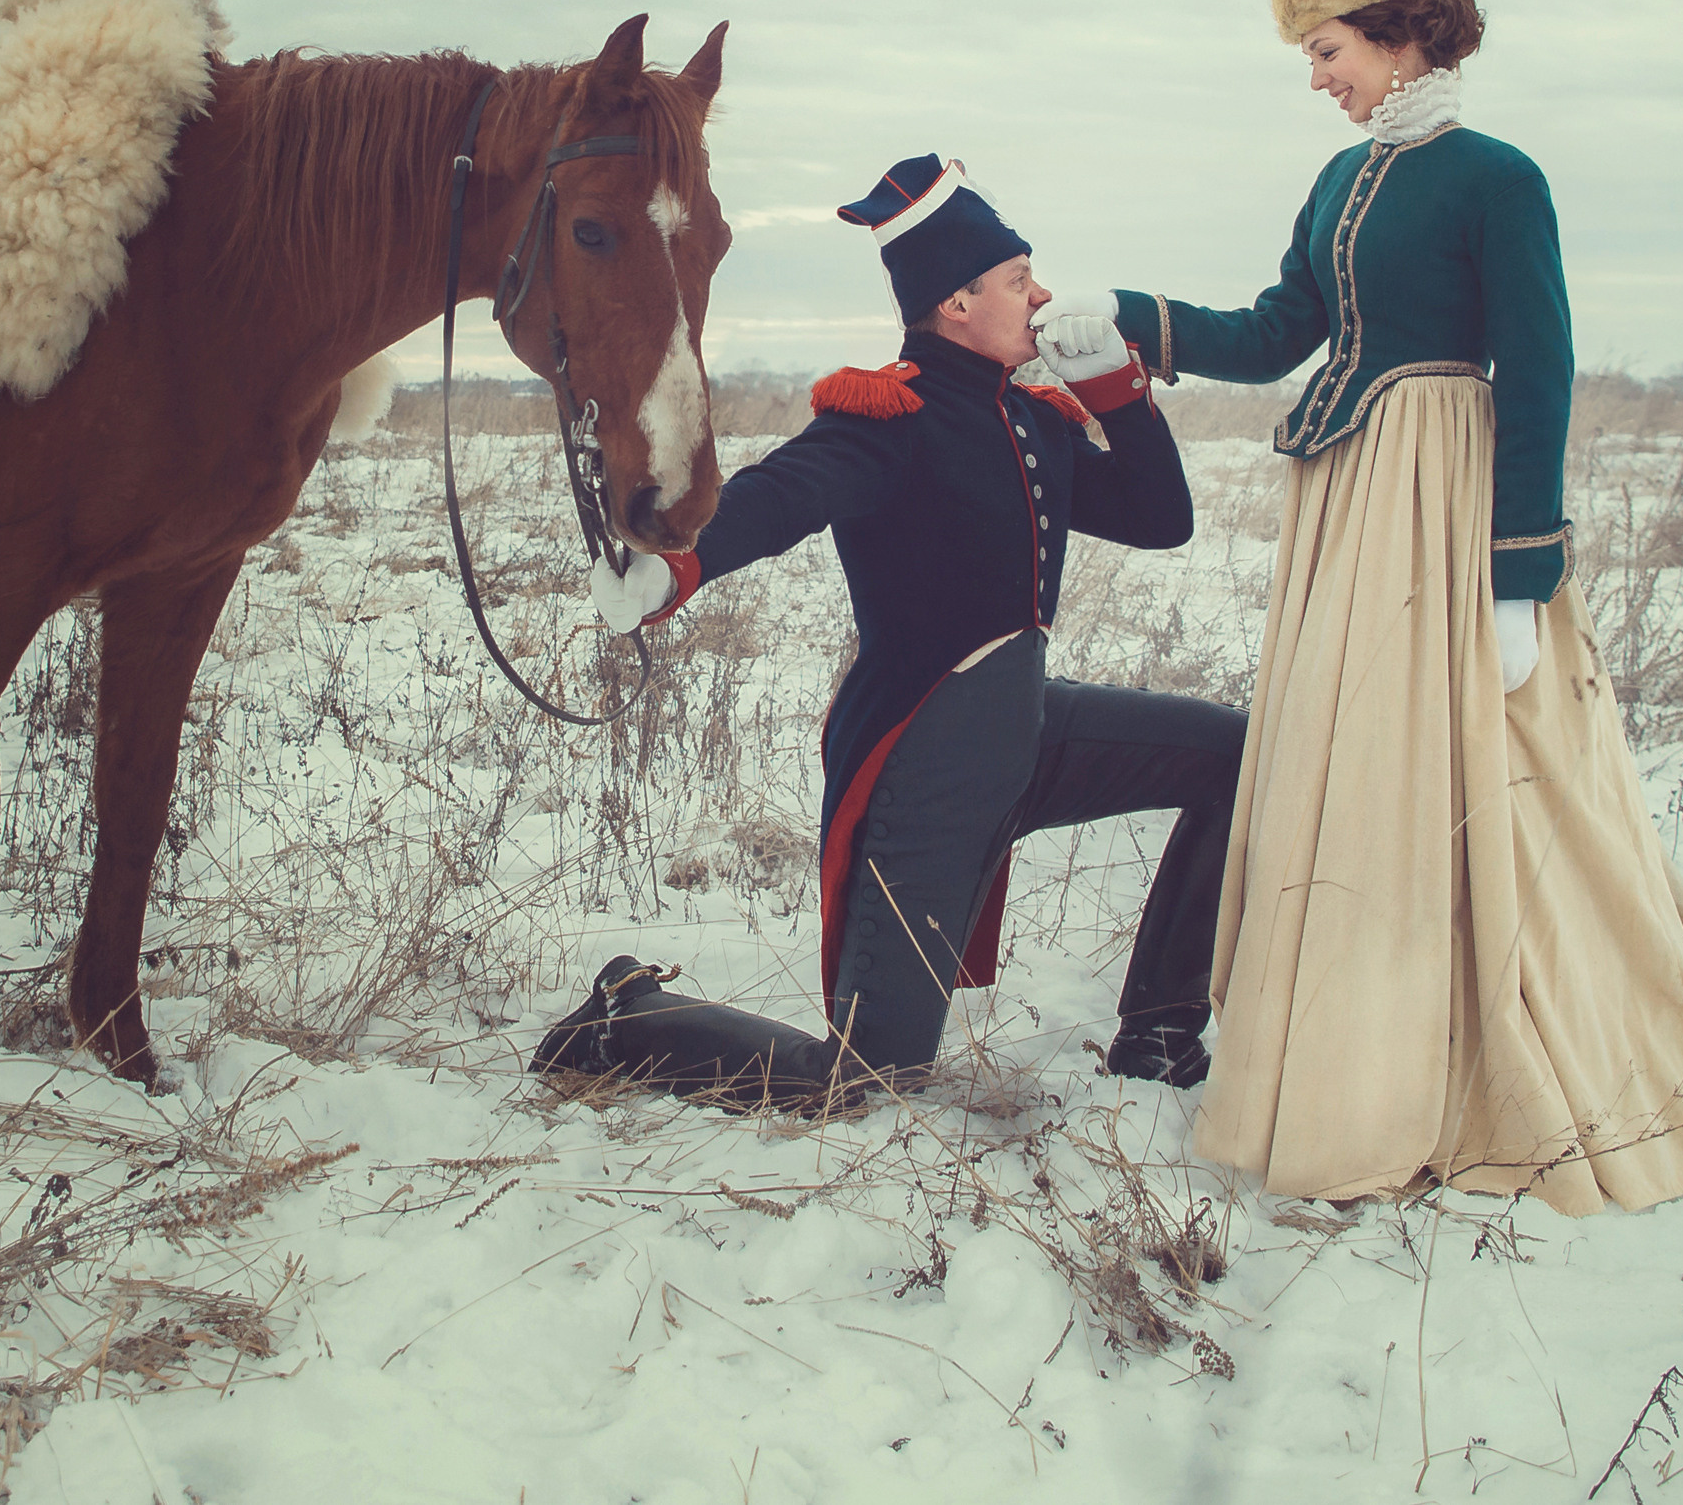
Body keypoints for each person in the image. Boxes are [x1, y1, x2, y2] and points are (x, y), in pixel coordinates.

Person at [1034, 0, 1683, 1215]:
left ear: (1397, 33)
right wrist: (1133, 314)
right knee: (1345, 759)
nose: (1316, 76)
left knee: (1445, 767)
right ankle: (1344, 1049)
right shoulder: (1337, 180)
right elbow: (1277, 335)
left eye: (1325, 50)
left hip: (1443, 493)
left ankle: (1461, 1051)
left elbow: (1537, 373)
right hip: (1349, 495)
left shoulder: (1499, 179)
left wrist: (1514, 576)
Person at [533, 154, 1247, 1106]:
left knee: (1237, 755)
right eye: (1017, 281)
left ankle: (1158, 1039)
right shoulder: (888, 416)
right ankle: (625, 1016)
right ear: (956, 302)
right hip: (928, 767)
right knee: (865, 1077)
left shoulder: (1032, 418)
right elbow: (784, 492)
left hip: (1029, 731)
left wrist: (1116, 388)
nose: (1041, 297)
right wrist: (680, 560)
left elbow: (1162, 521)